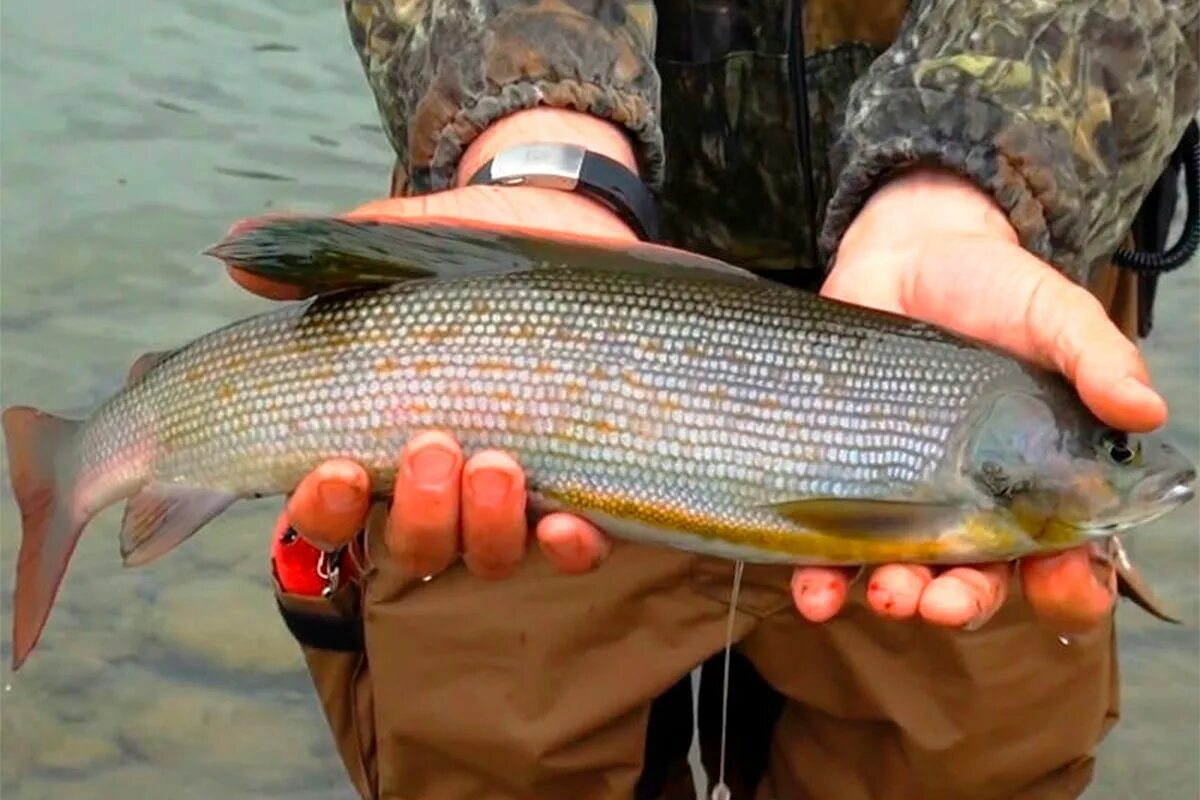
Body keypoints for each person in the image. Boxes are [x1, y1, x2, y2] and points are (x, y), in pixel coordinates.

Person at [227, 2, 1199, 798]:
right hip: (537, 291)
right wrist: (537, 124)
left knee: (953, 769)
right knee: (496, 761)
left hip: (983, 290)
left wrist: (978, 167)